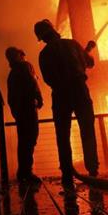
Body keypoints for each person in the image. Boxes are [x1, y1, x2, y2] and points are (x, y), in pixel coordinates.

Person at [34, 19, 99, 187]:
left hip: (60, 94)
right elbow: (89, 63)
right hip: (79, 90)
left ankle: (67, 175)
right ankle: (92, 171)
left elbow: (48, 78)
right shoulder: (72, 44)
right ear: (54, 31)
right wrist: (87, 51)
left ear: (42, 38)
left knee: (62, 135)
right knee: (87, 130)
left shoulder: (44, 55)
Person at [5, 46, 43, 184]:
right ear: (20, 55)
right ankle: (27, 172)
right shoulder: (25, 66)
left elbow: (10, 98)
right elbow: (32, 82)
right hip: (28, 108)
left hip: (20, 112)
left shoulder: (12, 75)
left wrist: (15, 112)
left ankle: (23, 172)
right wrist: (39, 97)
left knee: (23, 141)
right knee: (31, 138)